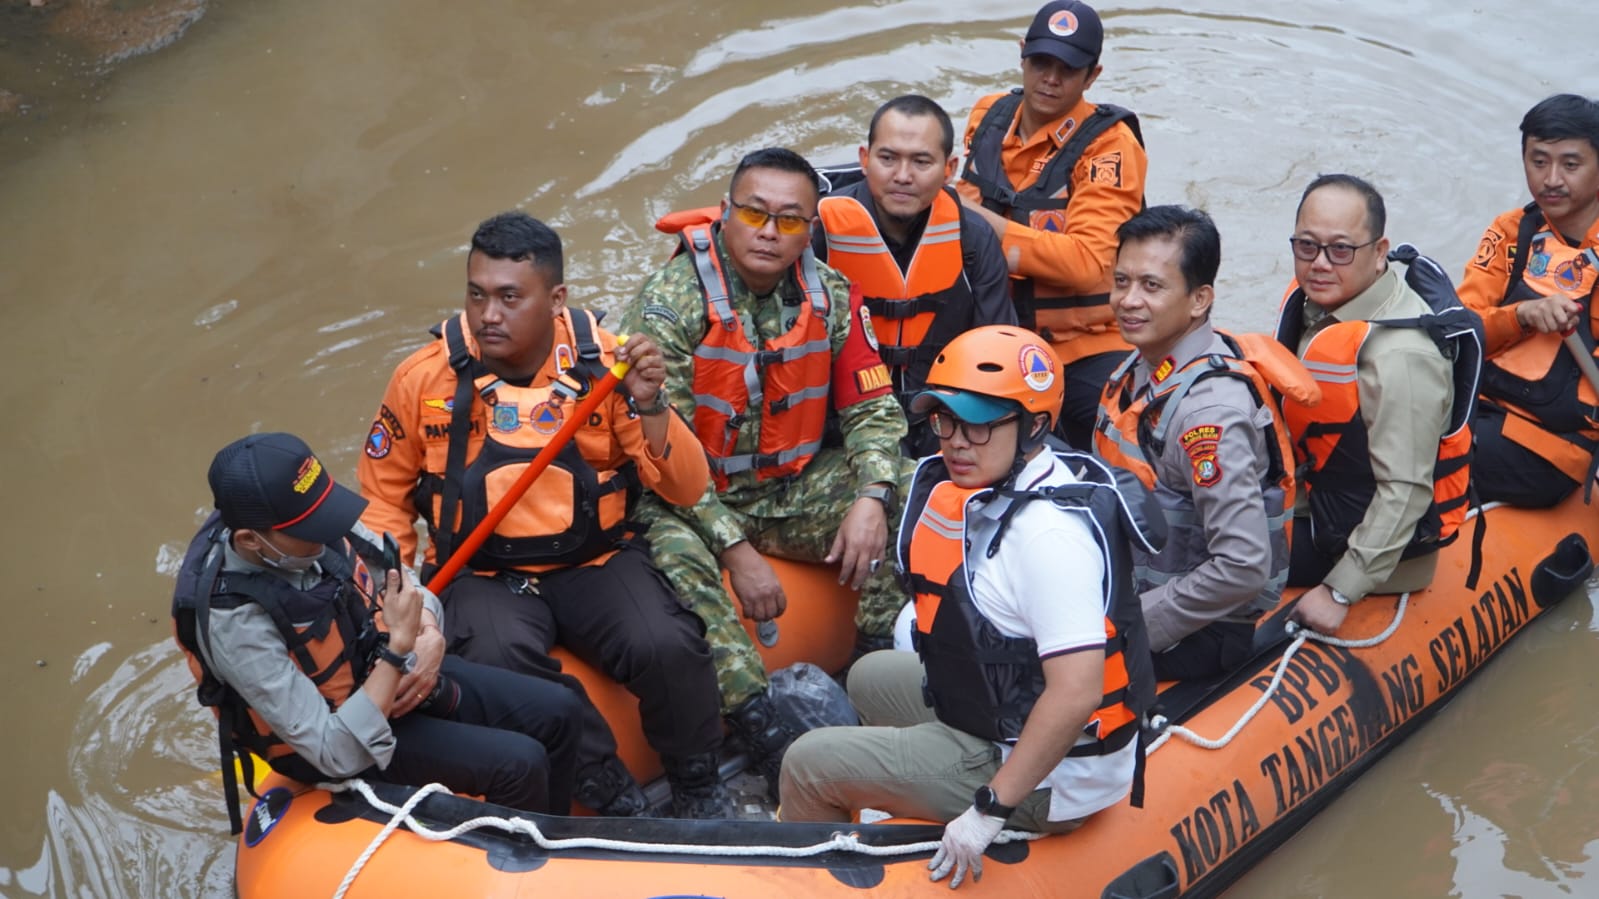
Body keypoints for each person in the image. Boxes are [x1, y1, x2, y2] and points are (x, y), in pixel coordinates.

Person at [357, 212, 729, 818]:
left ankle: (697, 783)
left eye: (509, 297)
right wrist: (407, 616)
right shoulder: (422, 379)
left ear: (556, 299)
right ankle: (609, 792)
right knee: (500, 667)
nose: (488, 315)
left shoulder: (609, 367)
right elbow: (384, 506)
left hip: (597, 560)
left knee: (668, 644)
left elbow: (687, 487)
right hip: (479, 572)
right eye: (476, 295)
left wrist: (653, 403)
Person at [779, 325, 1160, 890]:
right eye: (946, 420)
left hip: (1053, 776)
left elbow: (1077, 692)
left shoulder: (1047, 539)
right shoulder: (1004, 485)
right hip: (1005, 705)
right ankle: (896, 794)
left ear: (1034, 427)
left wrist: (987, 812)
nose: (956, 441)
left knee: (808, 762)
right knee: (869, 675)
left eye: (980, 424)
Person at [620, 147, 911, 796]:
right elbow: (662, 453)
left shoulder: (831, 297)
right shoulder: (669, 304)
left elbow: (873, 409)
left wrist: (870, 496)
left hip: (786, 486)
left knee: (910, 490)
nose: (768, 231)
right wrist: (735, 547)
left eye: (788, 220)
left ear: (808, 229)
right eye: (753, 213)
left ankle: (869, 670)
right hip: (684, 499)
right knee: (680, 567)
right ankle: (762, 731)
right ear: (725, 214)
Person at [172, 432, 583, 833]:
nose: (327, 529)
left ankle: (560, 839)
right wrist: (399, 648)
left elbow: (410, 587)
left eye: (324, 512)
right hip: (340, 735)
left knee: (560, 709)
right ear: (250, 539)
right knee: (519, 764)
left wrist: (429, 634)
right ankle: (523, 875)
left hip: (382, 673)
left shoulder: (315, 523)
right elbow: (334, 752)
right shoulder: (235, 623)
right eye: (310, 526)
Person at [1094, 205, 1304, 680]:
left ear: (1198, 300)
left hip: (1197, 630)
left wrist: (1127, 629)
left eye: (1151, 286)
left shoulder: (1209, 418)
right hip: (1126, 584)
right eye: (1121, 281)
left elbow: (1243, 566)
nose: (1128, 300)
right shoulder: (1140, 369)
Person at [1275, 175, 1468, 635]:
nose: (1319, 264)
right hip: (1322, 501)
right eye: (1307, 246)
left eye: (1340, 250)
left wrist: (1340, 590)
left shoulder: (1401, 357)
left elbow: (1404, 490)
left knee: (1218, 559)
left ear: (1380, 252)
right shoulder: (1320, 304)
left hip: (1371, 546)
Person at [956, 0, 1148, 450]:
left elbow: (1087, 264)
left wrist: (986, 230)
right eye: (1041, 61)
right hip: (990, 328)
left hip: (1084, 345)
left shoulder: (1110, 147)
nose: (1051, 78)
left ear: (1092, 76)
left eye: (1068, 67)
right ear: (1022, 54)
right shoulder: (988, 116)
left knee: (1109, 438)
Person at [814, 94, 1016, 456]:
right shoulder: (820, 233)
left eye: (921, 161)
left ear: (949, 168)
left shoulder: (972, 238)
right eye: (887, 158)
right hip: (842, 426)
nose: (902, 176)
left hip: (943, 422)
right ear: (865, 159)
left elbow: (997, 350)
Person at [1458, 93, 1599, 508]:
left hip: (1553, 447)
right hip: (1477, 409)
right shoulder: (1512, 231)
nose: (1551, 179)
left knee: (1414, 459)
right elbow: (1463, 328)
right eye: (1539, 162)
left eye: (1570, 165)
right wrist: (1524, 314)